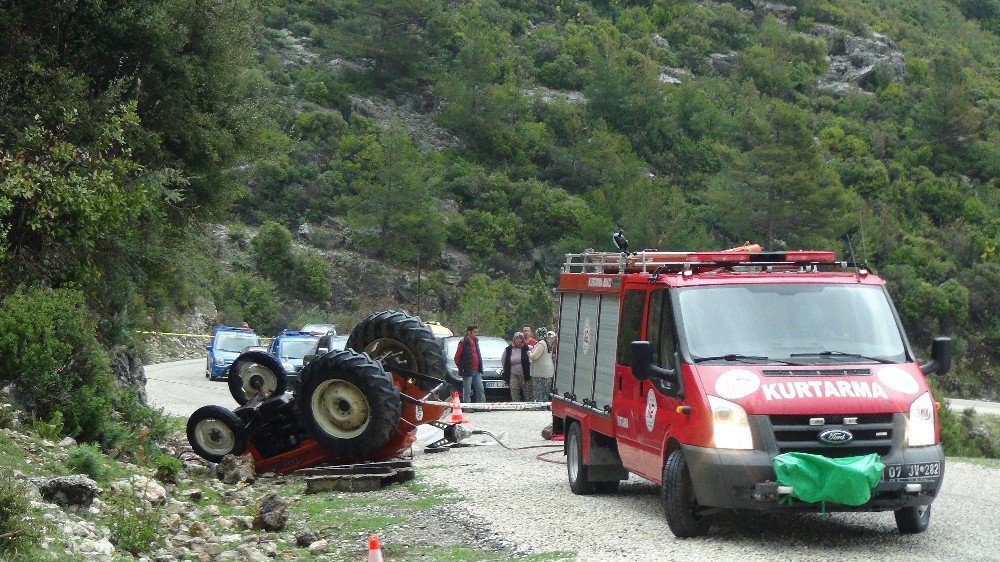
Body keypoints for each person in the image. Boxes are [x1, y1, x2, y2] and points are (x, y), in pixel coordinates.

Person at [454, 325, 485, 403]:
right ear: (469, 332)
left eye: (477, 332)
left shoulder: (476, 341)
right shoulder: (463, 343)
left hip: (477, 369)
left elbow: (477, 354)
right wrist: (462, 368)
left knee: (480, 388)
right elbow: (456, 358)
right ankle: (467, 407)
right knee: (467, 390)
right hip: (467, 370)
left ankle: (482, 405)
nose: (476, 334)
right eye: (474, 332)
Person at [502, 332, 532, 402]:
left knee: (528, 394)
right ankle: (516, 408)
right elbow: (503, 361)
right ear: (514, 339)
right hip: (513, 374)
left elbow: (534, 355)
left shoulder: (527, 348)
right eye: (517, 338)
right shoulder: (508, 349)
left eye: (521, 338)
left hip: (525, 375)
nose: (519, 340)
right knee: (514, 391)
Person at [529, 329, 555, 401]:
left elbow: (535, 356)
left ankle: (539, 409)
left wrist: (529, 353)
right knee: (545, 393)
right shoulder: (547, 343)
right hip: (548, 372)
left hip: (540, 373)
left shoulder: (541, 344)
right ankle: (544, 407)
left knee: (538, 393)